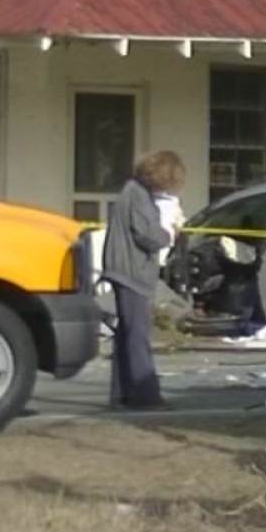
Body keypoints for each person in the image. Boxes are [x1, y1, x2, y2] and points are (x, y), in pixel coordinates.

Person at [102, 150, 187, 411]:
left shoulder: (132, 191)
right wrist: (169, 233)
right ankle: (146, 396)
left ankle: (122, 395)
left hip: (124, 269)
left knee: (126, 335)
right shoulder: (138, 195)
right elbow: (146, 235)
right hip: (132, 272)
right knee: (138, 335)